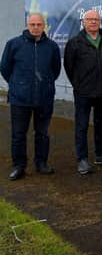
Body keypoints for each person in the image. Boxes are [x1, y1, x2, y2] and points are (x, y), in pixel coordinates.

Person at [1, 12, 61, 180]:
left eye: (39, 25)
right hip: (20, 99)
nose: (36, 28)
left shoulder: (52, 47)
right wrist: (17, 85)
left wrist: (45, 84)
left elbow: (55, 70)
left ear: (44, 26)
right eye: (32, 24)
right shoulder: (13, 44)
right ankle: (19, 166)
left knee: (42, 133)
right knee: (18, 134)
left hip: (44, 98)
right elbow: (5, 68)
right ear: (27, 25)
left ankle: (41, 163)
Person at [64, 9, 102, 175]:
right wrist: (78, 84)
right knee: (81, 125)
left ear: (100, 21)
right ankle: (82, 159)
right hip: (83, 92)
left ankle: (100, 154)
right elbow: (69, 67)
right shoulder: (75, 42)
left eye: (96, 19)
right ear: (84, 22)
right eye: (90, 19)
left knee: (100, 123)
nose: (93, 22)